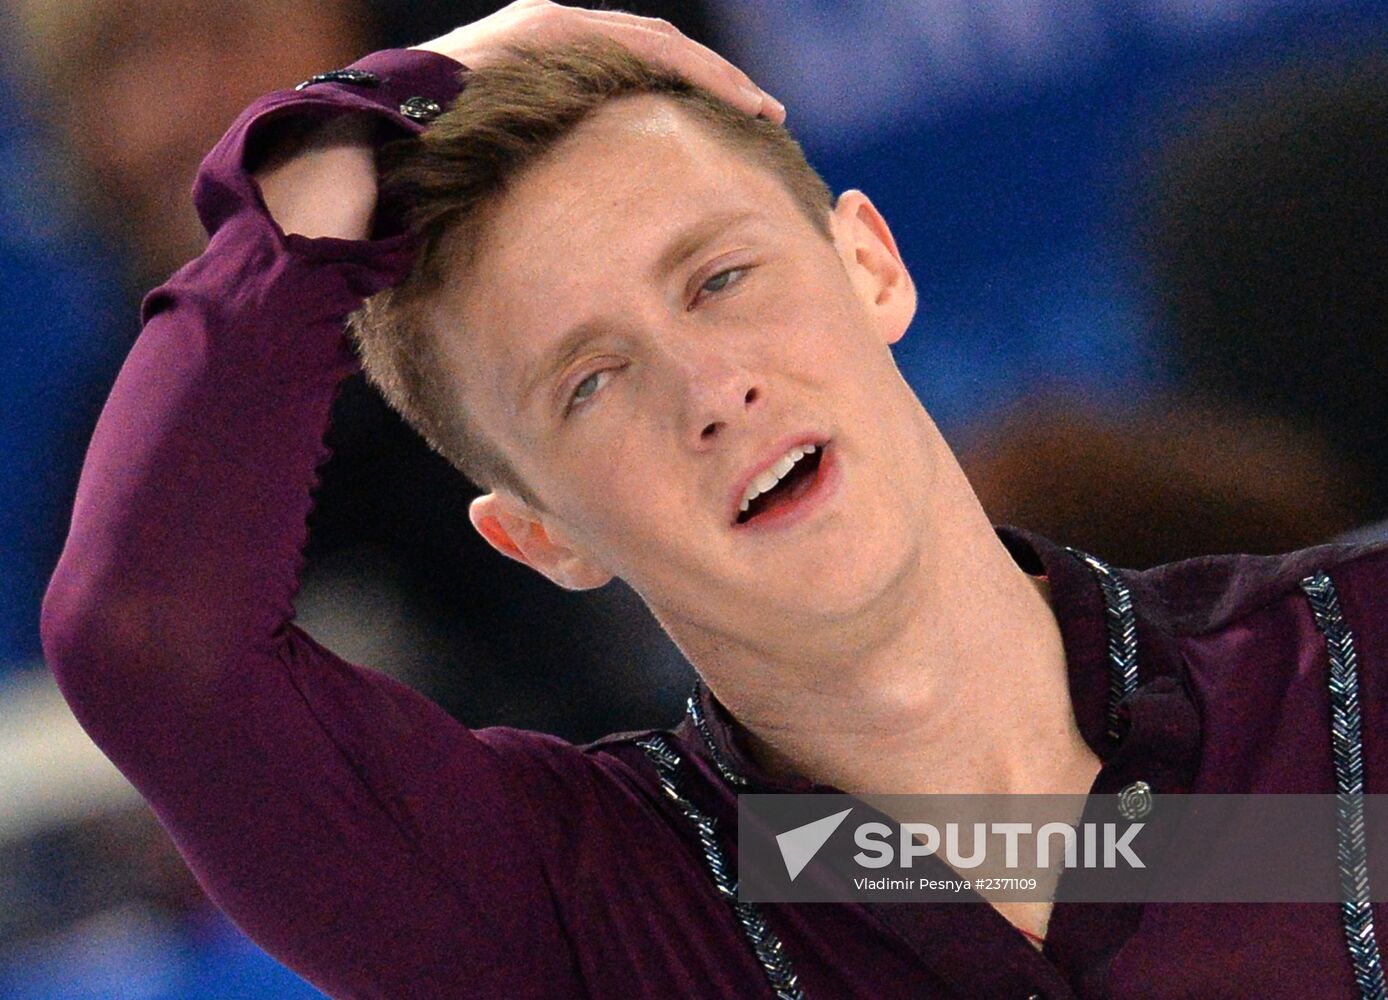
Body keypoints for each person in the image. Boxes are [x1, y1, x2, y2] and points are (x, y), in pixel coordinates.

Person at [41, 2, 1387, 996]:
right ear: (538, 534)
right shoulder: (583, 921)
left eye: (718, 279)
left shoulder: (1348, 667)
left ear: (869, 265)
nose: (707, 388)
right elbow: (151, 640)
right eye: (588, 381)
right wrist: (355, 128)